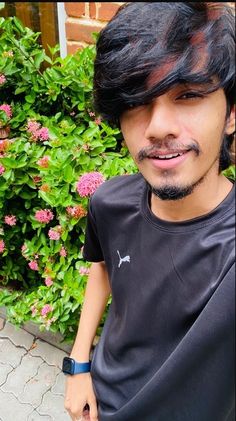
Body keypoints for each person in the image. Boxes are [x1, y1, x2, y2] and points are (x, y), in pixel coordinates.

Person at [64, 2, 235, 421]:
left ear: (232, 114)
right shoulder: (109, 202)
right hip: (101, 402)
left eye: (189, 95)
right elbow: (102, 268)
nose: (158, 127)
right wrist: (79, 364)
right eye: (137, 101)